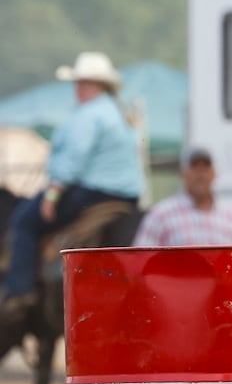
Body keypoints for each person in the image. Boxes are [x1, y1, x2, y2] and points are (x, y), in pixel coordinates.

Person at [2, 52, 144, 318]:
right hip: (126, 198)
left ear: (101, 86)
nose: (80, 88)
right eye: (78, 82)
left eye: (86, 83)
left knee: (23, 221)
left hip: (93, 194)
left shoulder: (89, 115)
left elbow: (74, 157)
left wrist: (52, 194)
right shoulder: (117, 113)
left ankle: (20, 291)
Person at [132, 147, 232, 247]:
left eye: (205, 168)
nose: (200, 174)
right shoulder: (160, 215)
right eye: (195, 167)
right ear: (183, 173)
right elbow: (141, 261)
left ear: (214, 173)